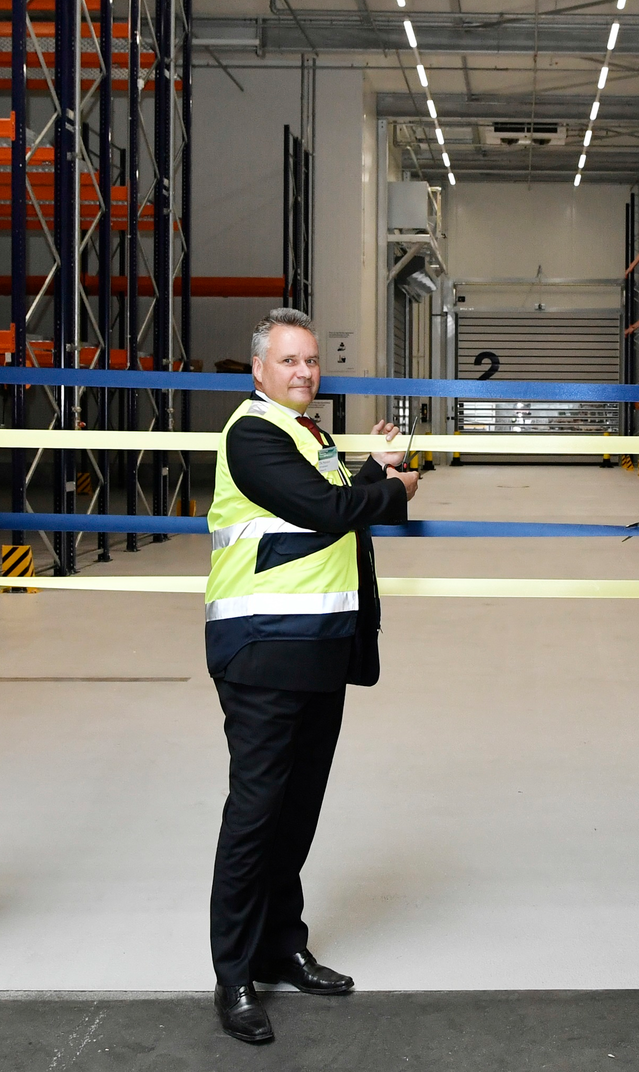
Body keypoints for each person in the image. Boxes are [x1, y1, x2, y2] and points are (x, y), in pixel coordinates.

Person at [205, 308, 419, 1045]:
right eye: (289, 361)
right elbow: (324, 510)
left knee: (295, 813)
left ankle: (281, 945)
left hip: (318, 647)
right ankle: (233, 975)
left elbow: (325, 508)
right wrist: (391, 494)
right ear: (259, 369)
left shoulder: (309, 435)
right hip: (263, 651)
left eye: (312, 361)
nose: (304, 372)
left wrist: (375, 469)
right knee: (256, 815)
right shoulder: (253, 433)